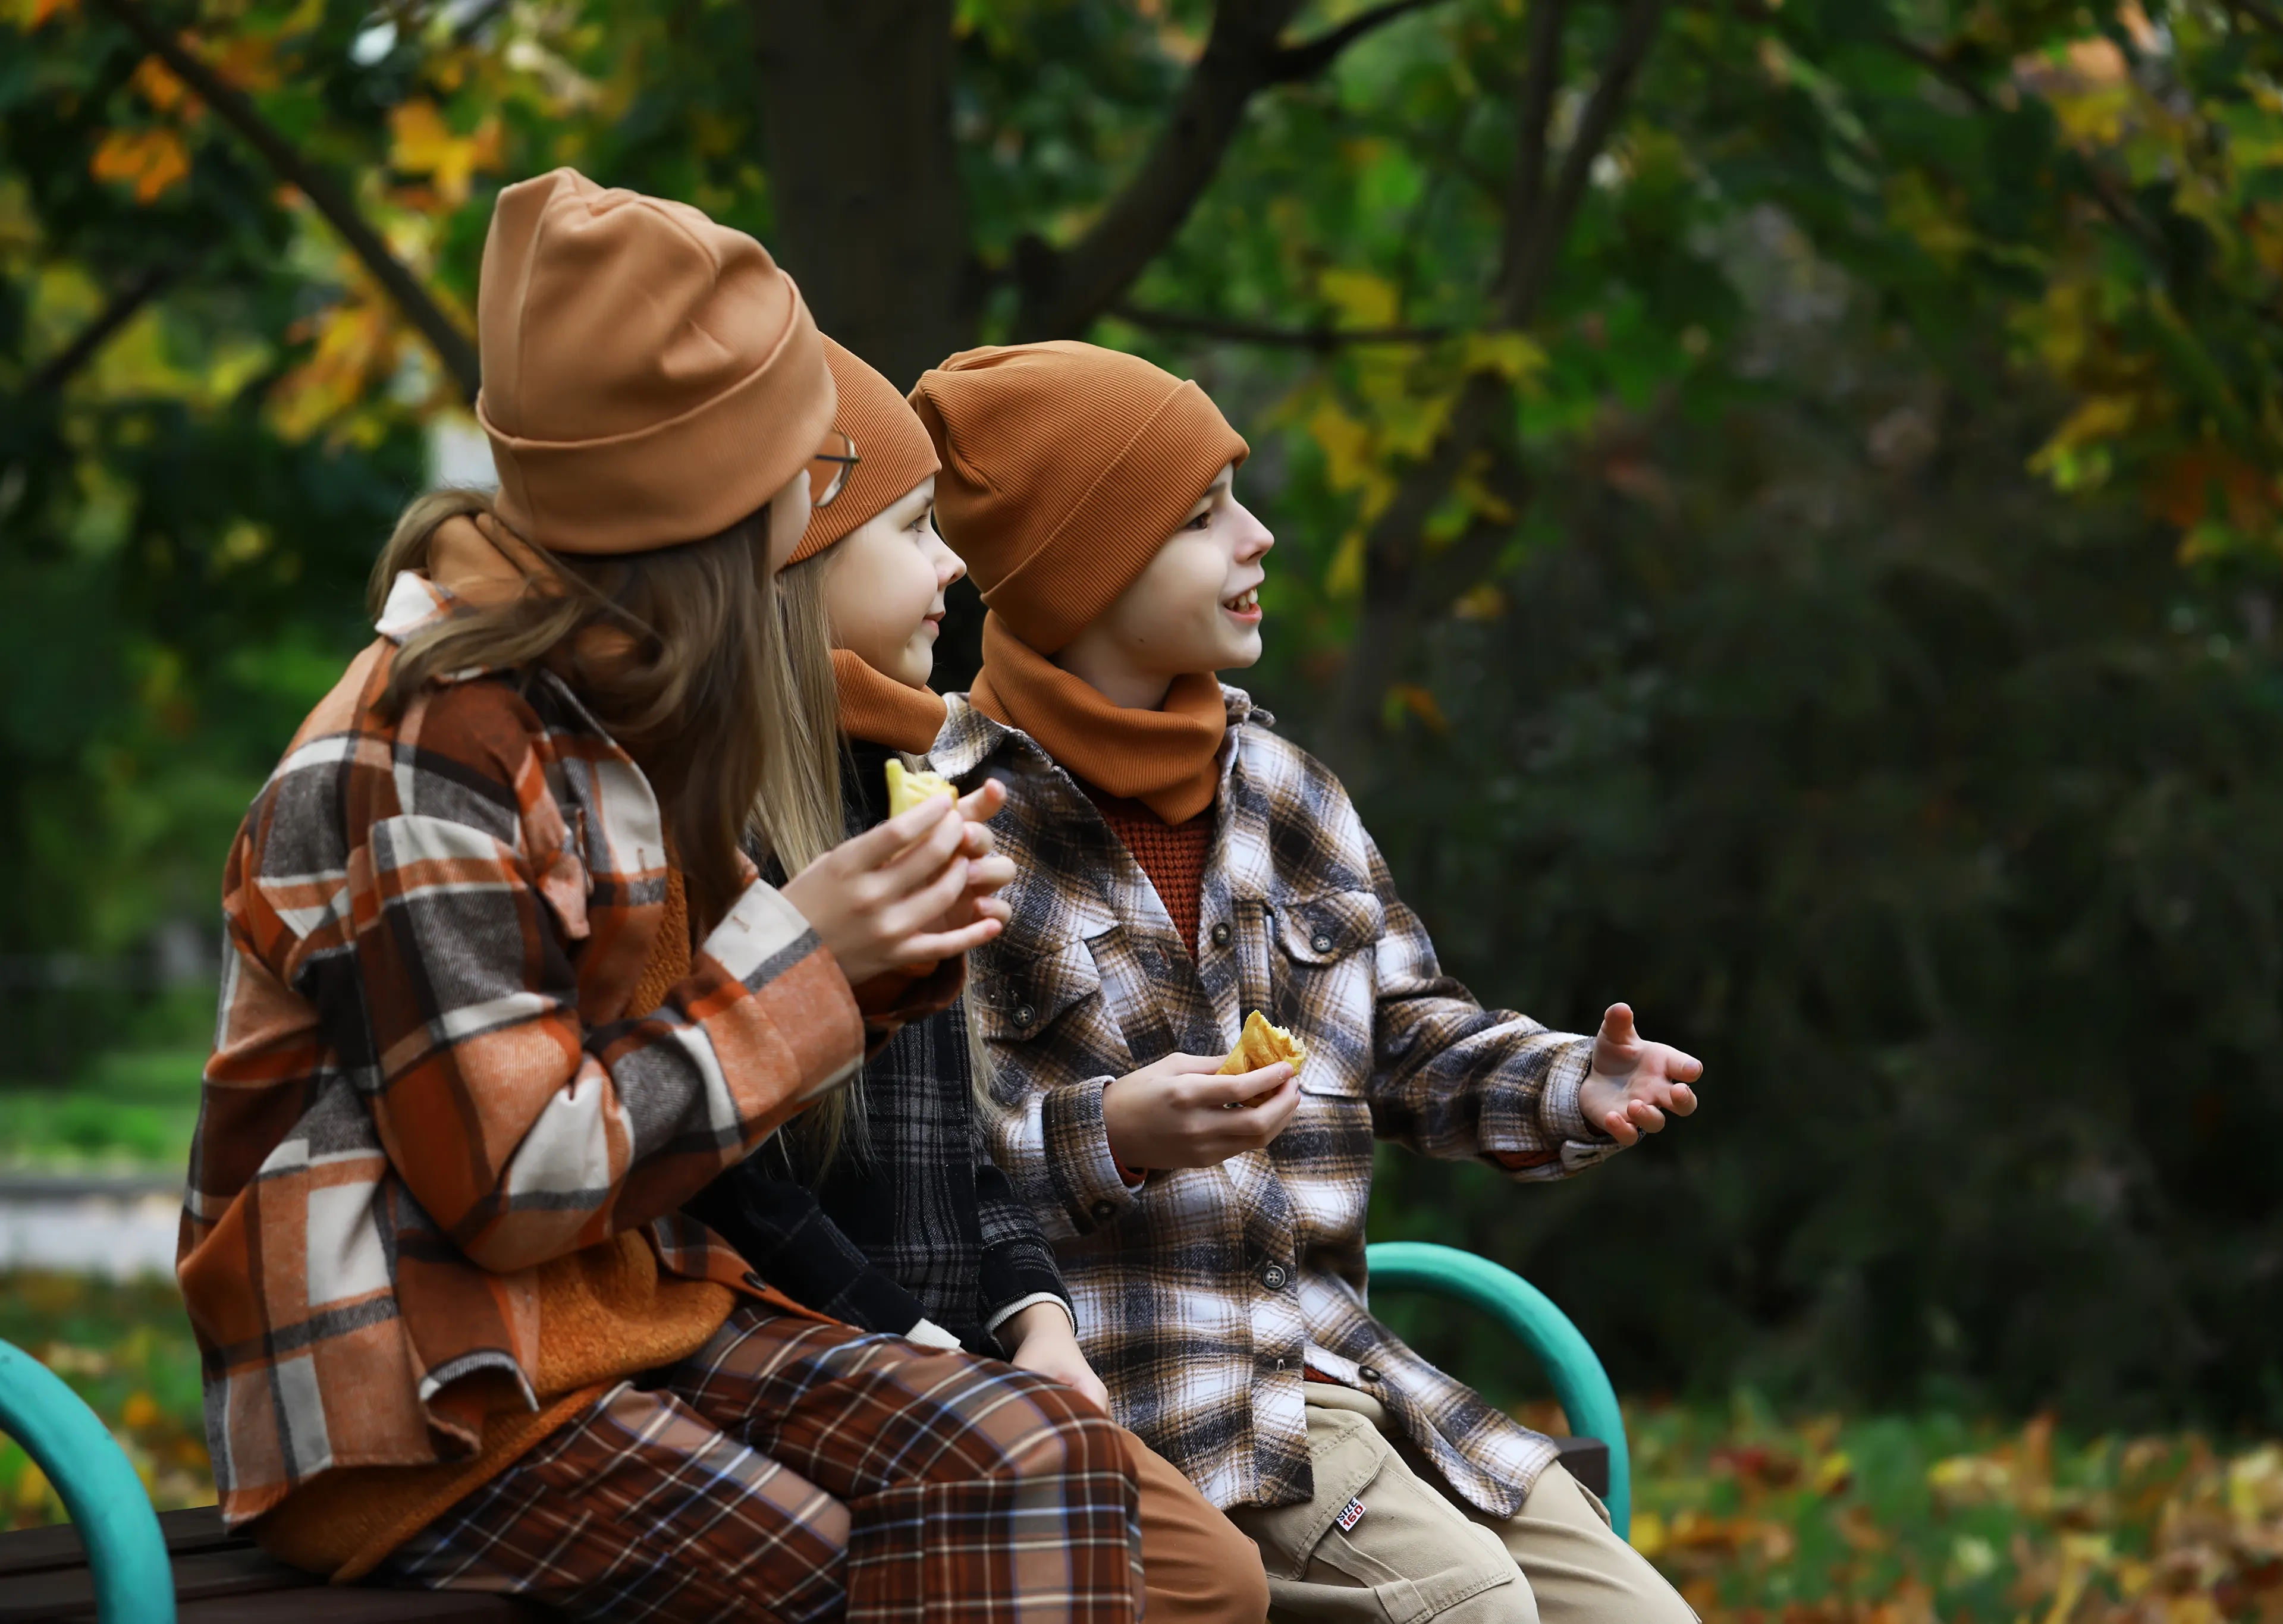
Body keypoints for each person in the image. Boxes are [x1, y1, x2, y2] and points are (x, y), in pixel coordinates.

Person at [177, 172, 1144, 1622]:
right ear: (709, 503)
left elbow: (710, 1052)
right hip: (420, 1398)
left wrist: (882, 956)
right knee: (829, 1574)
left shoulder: (623, 714)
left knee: (1039, 1454)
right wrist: (816, 959)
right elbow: (515, 1185)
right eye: (807, 474)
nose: (820, 507)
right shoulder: (428, 746)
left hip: (626, 1321)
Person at [908, 340, 1707, 1623]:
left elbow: (1407, 1036)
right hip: (1148, 1396)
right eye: (1202, 515)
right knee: (1463, 1610)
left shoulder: (1281, 792)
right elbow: (912, 1164)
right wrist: (1108, 1136)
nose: (1259, 535)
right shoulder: (945, 817)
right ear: (1087, 566)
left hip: (1339, 1368)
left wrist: (1568, 1080)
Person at [683, 335, 1268, 1624]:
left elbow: (961, 1148)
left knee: (1209, 1583)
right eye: (910, 530)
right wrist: (924, 1340)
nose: (954, 567)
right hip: (833, 1355)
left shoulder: (918, 792)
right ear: (799, 563)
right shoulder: (716, 826)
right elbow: (740, 1190)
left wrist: (1038, 1322)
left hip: (978, 1356)